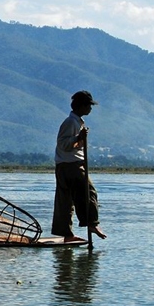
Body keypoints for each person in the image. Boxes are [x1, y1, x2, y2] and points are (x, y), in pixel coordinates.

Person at [52, 90, 107, 243]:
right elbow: (63, 145)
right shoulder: (71, 122)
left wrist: (80, 139)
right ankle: (91, 223)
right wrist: (79, 137)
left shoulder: (77, 122)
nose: (90, 109)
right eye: (89, 105)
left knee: (66, 201)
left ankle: (67, 235)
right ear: (82, 106)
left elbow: (73, 145)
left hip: (64, 165)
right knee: (89, 193)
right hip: (71, 166)